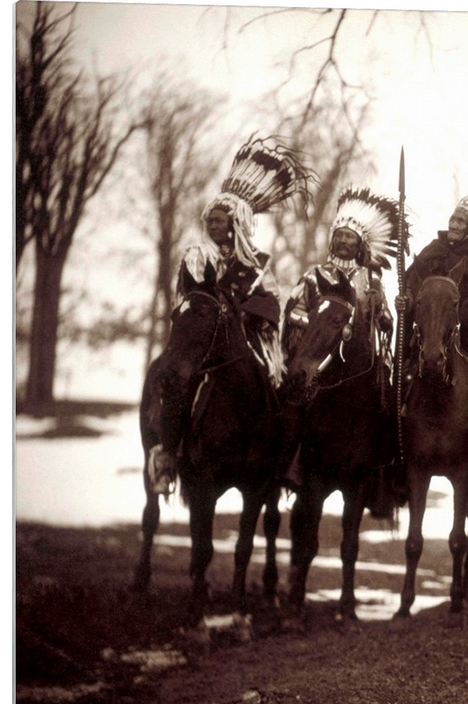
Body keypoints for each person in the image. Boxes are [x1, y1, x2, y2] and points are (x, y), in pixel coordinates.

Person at [147, 136, 311, 495]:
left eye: (222, 220)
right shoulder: (197, 255)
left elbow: (270, 301)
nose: (215, 225)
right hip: (201, 338)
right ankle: (169, 455)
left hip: (247, 339)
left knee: (277, 385)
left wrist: (248, 314)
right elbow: (192, 296)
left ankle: (279, 462)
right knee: (178, 383)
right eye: (211, 219)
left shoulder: (257, 263)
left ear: (236, 224)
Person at [278, 186, 401, 491]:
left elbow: (386, 324)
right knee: (294, 401)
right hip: (320, 358)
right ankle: (290, 463)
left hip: (360, 364)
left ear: (360, 244)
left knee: (387, 401)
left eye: (351, 237)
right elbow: (293, 312)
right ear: (332, 240)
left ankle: (384, 473)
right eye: (340, 235)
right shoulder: (315, 275)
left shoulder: (372, 280)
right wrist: (321, 329)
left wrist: (381, 310)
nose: (344, 241)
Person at [394, 182, 468, 473]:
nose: (455, 225)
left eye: (462, 222)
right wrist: (405, 301)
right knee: (397, 381)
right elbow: (412, 284)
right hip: (425, 337)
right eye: (454, 220)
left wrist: (456, 319)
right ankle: (394, 441)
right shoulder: (432, 251)